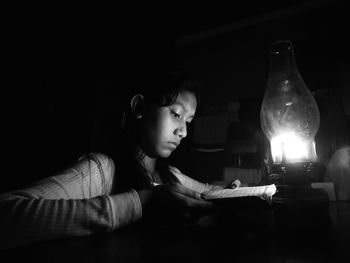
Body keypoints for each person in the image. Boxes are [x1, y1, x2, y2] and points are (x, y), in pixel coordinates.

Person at [0, 71, 229, 249]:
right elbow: (7, 213)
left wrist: (242, 191)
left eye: (188, 121)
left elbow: (212, 192)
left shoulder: (171, 176)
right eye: (176, 114)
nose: (183, 132)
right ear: (139, 107)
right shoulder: (101, 170)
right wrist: (141, 203)